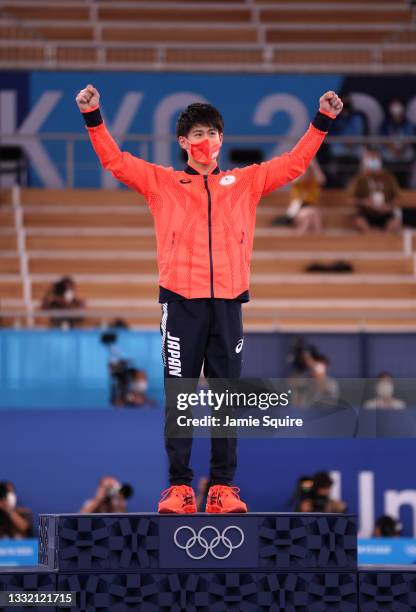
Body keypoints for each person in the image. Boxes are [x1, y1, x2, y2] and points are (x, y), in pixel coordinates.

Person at [76, 84, 343, 514]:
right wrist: (93, 117)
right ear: (183, 142)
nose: (207, 142)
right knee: (181, 398)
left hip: (229, 305)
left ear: (222, 139)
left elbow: (294, 165)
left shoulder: (246, 182)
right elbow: (115, 161)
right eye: (197, 134)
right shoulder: (162, 182)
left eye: (213, 133)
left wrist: (322, 122)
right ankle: (180, 489)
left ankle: (222, 489)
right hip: (181, 303)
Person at [349, 148, 401, 232]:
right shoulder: (360, 178)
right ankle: (371, 238)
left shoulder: (389, 177)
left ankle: (385, 240)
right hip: (366, 213)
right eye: (370, 159)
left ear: (380, 161)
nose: (373, 162)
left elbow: (398, 198)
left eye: (375, 159)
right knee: (359, 222)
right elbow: (349, 199)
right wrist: (364, 202)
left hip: (385, 212)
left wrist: (388, 206)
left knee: (395, 223)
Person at [326, 93, 368, 187]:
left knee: (356, 177)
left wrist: (352, 142)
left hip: (355, 150)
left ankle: (355, 189)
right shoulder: (333, 117)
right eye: (342, 101)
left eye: (346, 101)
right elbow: (330, 133)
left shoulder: (358, 117)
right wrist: (343, 141)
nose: (344, 103)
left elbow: (362, 133)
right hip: (339, 150)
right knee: (338, 177)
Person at [272, 159, 324, 233]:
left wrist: (314, 165)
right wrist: (304, 164)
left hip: (310, 206)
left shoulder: (313, 181)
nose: (306, 172)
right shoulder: (297, 181)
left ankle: (318, 240)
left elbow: (321, 180)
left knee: (315, 216)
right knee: (307, 218)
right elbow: (295, 179)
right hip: (297, 207)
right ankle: (299, 239)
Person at [380, 97, 415, 188]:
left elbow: (410, 138)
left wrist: (401, 149)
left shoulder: (408, 123)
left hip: (404, 155)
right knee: (390, 178)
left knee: (403, 179)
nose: (396, 107)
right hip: (389, 156)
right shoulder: (385, 124)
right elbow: (383, 139)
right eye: (394, 104)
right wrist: (393, 149)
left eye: (398, 104)